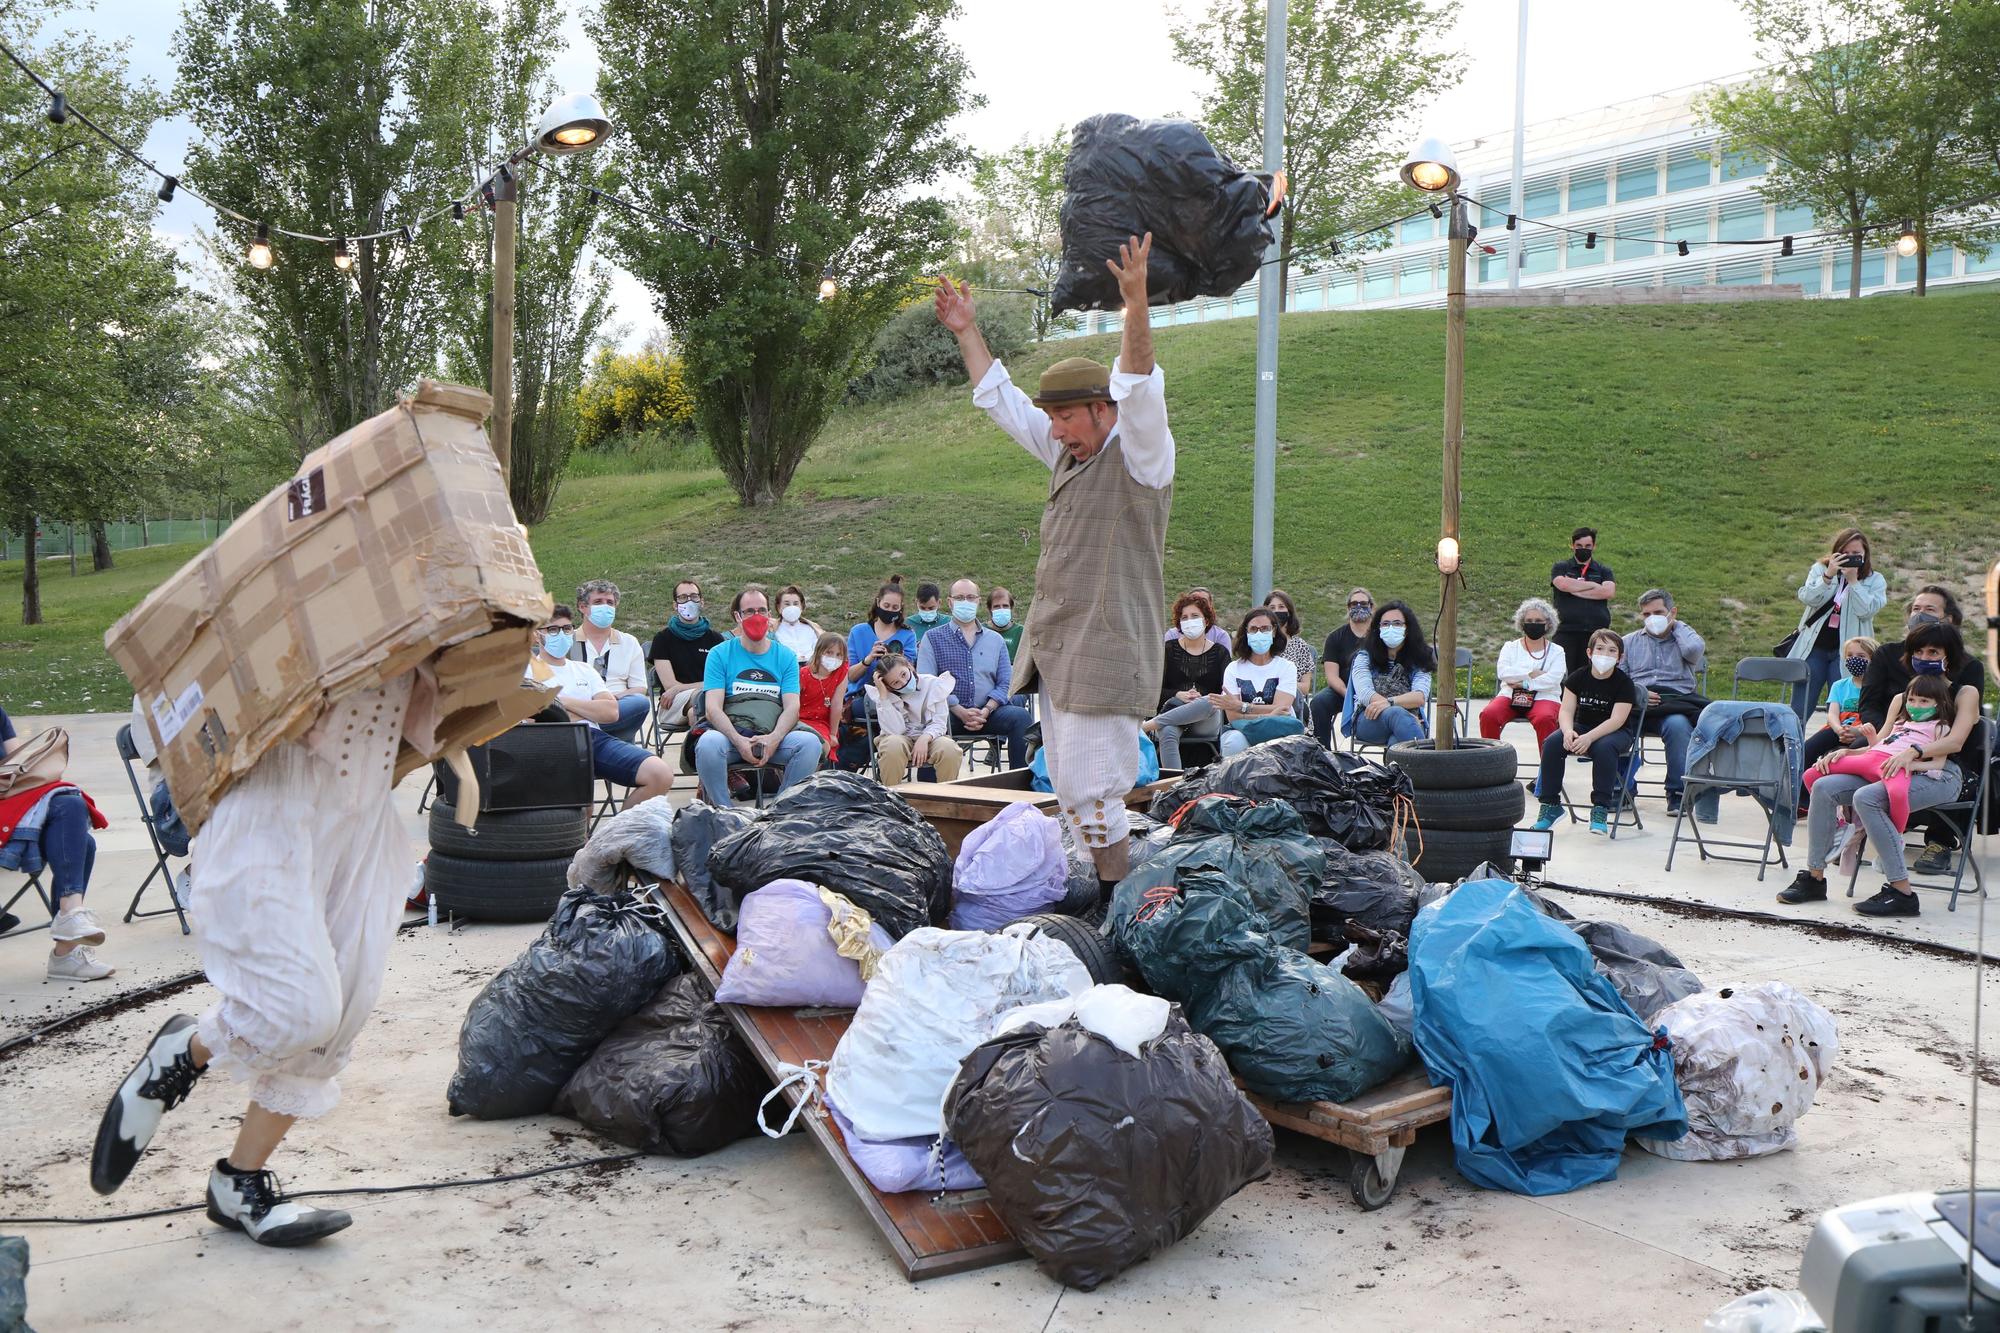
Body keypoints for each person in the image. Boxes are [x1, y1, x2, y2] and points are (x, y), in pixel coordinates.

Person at [90, 665, 426, 1244]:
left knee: (337, 1021)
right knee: (301, 1008)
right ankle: (189, 1048)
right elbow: (162, 709)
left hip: (363, 811)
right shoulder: (266, 579)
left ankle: (237, 1184)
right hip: (272, 795)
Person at [938, 231, 1172, 904]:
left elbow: (1141, 384)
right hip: (1060, 646)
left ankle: (1115, 901)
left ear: (1104, 410)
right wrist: (967, 330)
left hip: (1107, 648)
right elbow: (1003, 401)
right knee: (1068, 786)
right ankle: (1099, 890)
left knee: (1096, 787)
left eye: (1068, 417)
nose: (1058, 431)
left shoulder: (1142, 453)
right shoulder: (1069, 451)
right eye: (1055, 420)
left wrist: (1135, 306)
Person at [1803, 591, 1987, 873]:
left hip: (1939, 766)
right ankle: (1814, 873)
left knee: (1868, 797)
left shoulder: (1964, 690)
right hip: (1889, 755)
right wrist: (1852, 749)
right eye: (1918, 652)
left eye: (1933, 652)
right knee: (1822, 781)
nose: (1924, 657)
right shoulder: (1902, 696)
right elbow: (1881, 722)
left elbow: (1957, 740)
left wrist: (1913, 753)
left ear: (1948, 656)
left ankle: (1900, 880)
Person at [1779, 672, 1967, 916]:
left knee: (1866, 797)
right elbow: (1878, 747)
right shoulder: (1901, 718)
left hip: (1930, 775)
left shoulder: (1953, 709)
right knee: (1824, 787)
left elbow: (1943, 756)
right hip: (1882, 765)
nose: (1916, 705)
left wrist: (1910, 760)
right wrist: (1847, 753)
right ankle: (1815, 878)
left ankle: (1902, 893)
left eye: (1923, 701)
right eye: (1913, 700)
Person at [1, 703, 113, 981]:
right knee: (80, 841)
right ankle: (66, 948)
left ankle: (69, 916)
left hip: (10, 810)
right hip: (9, 818)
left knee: (72, 808)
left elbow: (20, 767)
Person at [528, 606, 675, 807]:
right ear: (537, 635)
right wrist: (588, 710)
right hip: (552, 742)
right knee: (580, 785)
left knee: (660, 774)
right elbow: (532, 717)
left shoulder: (584, 670)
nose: (561, 635)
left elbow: (611, 712)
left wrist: (563, 702)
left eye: (567, 629)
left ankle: (618, 833)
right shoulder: (525, 671)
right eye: (552, 630)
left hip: (593, 738)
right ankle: (582, 835)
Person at [695, 586, 822, 808]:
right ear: (737, 616)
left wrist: (773, 739)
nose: (757, 617)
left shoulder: (785, 656)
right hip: (733, 734)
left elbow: (792, 707)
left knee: (810, 744)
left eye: (762, 610)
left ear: (770, 616)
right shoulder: (720, 654)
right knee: (707, 743)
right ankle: (725, 814)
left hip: (773, 734)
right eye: (749, 611)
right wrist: (739, 741)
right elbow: (712, 709)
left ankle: (779, 813)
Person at [1530, 629, 1639, 836]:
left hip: (1615, 732)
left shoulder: (1624, 683)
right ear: (1589, 652)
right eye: (1600, 648)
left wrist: (1589, 737)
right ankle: (1550, 805)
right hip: (1582, 726)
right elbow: (1566, 710)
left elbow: (1617, 719)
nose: (1605, 654)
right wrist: (1568, 731)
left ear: (1620, 657)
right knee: (1553, 742)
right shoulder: (1577, 677)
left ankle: (1600, 808)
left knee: (1604, 747)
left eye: (1611, 651)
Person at [918, 578, 1033, 769]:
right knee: (928, 726)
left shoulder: (995, 640)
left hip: (988, 713)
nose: (965, 602)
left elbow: (1006, 682)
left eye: (970, 597)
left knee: (1020, 717)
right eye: (960, 597)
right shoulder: (932, 638)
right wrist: (958, 709)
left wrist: (987, 710)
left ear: (979, 601)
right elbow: (927, 681)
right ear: (949, 602)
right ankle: (930, 791)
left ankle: (1020, 788)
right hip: (947, 715)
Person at [1784, 527, 1887, 724]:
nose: (1850, 557)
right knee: (1800, 707)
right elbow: (1808, 598)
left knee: (1843, 706)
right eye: (1845, 553)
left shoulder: (1875, 580)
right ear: (1835, 552)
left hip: (1848, 652)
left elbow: (1866, 611)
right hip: (1814, 649)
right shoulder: (1820, 569)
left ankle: (1838, 747)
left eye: (1856, 554)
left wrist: (1854, 582)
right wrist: (1828, 577)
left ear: (1865, 554)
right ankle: (1790, 748)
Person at [1621, 589, 1708, 816]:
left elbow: (1693, 651)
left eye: (1658, 612)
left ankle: (1678, 794)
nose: (1652, 618)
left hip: (1675, 705)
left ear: (1672, 612)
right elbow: (1616, 681)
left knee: (1679, 727)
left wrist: (1676, 626)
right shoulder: (1628, 643)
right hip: (1638, 707)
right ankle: (1621, 791)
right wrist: (1637, 693)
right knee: (1614, 725)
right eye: (1646, 614)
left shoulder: (1684, 640)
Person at [1143, 591, 1229, 769]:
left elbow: (1227, 694)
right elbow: (1152, 690)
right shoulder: (1167, 650)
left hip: (1205, 719)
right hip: (1172, 711)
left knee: (1211, 700)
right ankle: (1173, 787)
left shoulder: (1220, 653)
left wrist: (1198, 699)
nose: (1189, 621)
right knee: (1167, 730)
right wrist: (1177, 694)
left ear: (1206, 621)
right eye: (1185, 617)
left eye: (1195, 616)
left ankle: (1147, 726)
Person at [1213, 608, 1302, 757]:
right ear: (1246, 633)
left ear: (1274, 631)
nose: (1259, 633)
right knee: (1233, 742)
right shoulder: (1233, 669)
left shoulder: (1286, 667)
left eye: (1265, 628)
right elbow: (1233, 717)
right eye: (1253, 629)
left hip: (1279, 730)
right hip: (1242, 731)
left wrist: (1242, 707)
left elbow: (1282, 709)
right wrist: (1269, 715)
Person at [1479, 598, 1567, 748]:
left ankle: (1547, 768)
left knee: (1545, 718)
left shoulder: (1557, 651)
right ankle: (1492, 760)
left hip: (1545, 696)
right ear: (1522, 622)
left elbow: (1553, 679)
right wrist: (1531, 673)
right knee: (1489, 715)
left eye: (1538, 620)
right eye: (1529, 620)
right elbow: (1504, 673)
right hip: (1509, 695)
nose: (1533, 623)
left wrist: (1524, 683)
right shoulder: (1510, 647)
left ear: (1548, 624)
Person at [1348, 601, 1435, 748]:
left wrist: (1391, 704)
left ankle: (1393, 770)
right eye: (1385, 624)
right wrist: (1399, 711)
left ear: (1407, 629)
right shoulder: (1364, 656)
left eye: (1397, 623)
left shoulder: (1420, 658)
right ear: (1378, 628)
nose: (1391, 628)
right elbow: (1365, 693)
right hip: (1369, 718)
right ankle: (1431, 766)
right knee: (1397, 715)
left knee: (1397, 742)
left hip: (1409, 720)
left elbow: (1419, 696)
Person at [866, 655, 962, 786]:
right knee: (892, 745)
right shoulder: (884, 695)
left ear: (910, 666)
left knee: (949, 748)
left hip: (931, 737)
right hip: (900, 738)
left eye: (903, 674)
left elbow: (939, 722)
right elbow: (895, 731)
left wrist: (924, 739)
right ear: (888, 686)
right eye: (895, 683)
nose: (903, 682)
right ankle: (892, 799)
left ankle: (949, 800)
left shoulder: (933, 684)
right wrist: (884, 696)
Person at [571, 579, 649, 741]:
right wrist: (591, 706)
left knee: (640, 702)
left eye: (610, 603)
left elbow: (639, 688)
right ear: (582, 607)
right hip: (581, 704)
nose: (605, 607)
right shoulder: (566, 642)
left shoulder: (629, 642)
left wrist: (608, 702)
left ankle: (586, 729)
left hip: (616, 708)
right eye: (598, 602)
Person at [649, 577, 724, 733]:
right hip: (672, 704)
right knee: (700, 699)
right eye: (683, 597)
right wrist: (682, 689)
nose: (689, 601)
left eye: (694, 596)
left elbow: (722, 680)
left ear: (701, 602)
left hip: (710, 700)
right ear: (675, 605)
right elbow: (670, 685)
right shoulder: (663, 639)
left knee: (696, 711)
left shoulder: (716, 639)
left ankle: (697, 754)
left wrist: (679, 688)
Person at [1310, 587, 1374, 747]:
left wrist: (1367, 696)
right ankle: (1322, 754)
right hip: (1343, 691)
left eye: (1363, 603)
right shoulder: (1335, 637)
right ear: (1348, 607)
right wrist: (1349, 695)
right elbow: (1332, 676)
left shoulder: (1381, 634)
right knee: (1318, 702)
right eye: (1354, 604)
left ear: (1371, 607)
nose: (1359, 607)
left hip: (1375, 690)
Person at [1549, 526, 1616, 673]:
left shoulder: (1603, 570)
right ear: (1572, 546)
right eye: (1579, 546)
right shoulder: (1562, 567)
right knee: (1562, 674)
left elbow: (1608, 591)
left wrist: (1575, 588)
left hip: (1595, 632)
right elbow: (1562, 584)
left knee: (1592, 674)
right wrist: (1593, 587)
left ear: (1594, 546)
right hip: (1566, 631)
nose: (1583, 549)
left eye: (1587, 546)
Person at [845, 577, 918, 705]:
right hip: (864, 695)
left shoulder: (908, 634)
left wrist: (894, 658)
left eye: (895, 607)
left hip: (900, 695)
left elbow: (911, 674)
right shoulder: (858, 632)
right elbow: (851, 677)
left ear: (901, 608)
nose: (889, 610)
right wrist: (868, 659)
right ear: (878, 603)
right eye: (886, 605)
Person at [1262, 589, 1316, 722]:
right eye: (1272, 608)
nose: (1277, 611)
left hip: (1292, 703)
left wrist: (1282, 685)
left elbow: (1305, 688)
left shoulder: (1300, 646)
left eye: (1281, 607)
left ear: (1289, 612)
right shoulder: (1260, 643)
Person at [796, 630, 849, 753]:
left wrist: (833, 733)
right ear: (819, 652)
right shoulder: (803, 674)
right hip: (798, 720)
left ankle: (814, 772)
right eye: (829, 653)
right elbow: (792, 702)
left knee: (823, 746)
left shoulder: (842, 671)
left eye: (839, 654)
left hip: (821, 723)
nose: (834, 658)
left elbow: (837, 704)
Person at [1824, 635, 1877, 744]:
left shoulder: (1879, 687)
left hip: (1865, 732)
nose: (1854, 659)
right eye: (1849, 655)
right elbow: (1832, 714)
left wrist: (1857, 731)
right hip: (1840, 730)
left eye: (1861, 656)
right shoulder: (1839, 685)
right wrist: (1839, 730)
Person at [1164, 586, 1232, 648]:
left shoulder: (1220, 636)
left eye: (1203, 601)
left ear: (1210, 606)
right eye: (1194, 600)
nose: (1198, 605)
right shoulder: (1172, 635)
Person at [773, 584, 824, 663]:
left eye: (796, 604)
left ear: (802, 607)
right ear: (779, 607)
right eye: (787, 604)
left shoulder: (812, 629)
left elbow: (820, 650)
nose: (792, 607)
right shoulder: (773, 631)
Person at [986, 586, 1024, 661]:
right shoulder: (981, 631)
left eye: (1005, 606)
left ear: (1011, 608)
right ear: (990, 609)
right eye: (997, 607)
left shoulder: (1021, 632)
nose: (1001, 609)